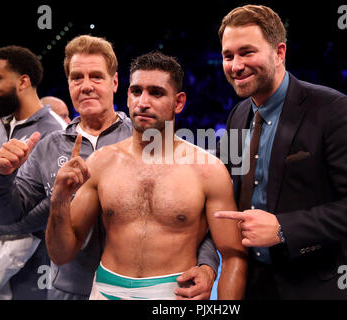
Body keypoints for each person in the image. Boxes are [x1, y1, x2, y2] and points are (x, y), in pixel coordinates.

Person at [0, 36, 220, 300]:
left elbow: (189, 216)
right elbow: (7, 220)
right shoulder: (46, 146)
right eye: (77, 77)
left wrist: (207, 266)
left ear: (115, 83)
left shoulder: (146, 138)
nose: (86, 86)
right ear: (68, 83)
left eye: (96, 77)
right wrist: (3, 177)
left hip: (135, 288)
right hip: (67, 289)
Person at [215, 4, 347, 299]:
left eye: (247, 52)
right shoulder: (237, 115)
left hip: (323, 285)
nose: (235, 65)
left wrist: (285, 227)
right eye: (228, 55)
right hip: (256, 284)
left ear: (279, 52)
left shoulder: (333, 109)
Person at [46, 51, 247, 300]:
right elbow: (61, 253)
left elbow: (232, 256)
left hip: (173, 292)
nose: (143, 102)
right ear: (127, 97)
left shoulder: (208, 170)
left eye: (156, 93)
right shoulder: (100, 162)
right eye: (136, 91)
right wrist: (59, 200)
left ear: (179, 102)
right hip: (106, 289)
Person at [0, 45, 67, 299]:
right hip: (1, 262)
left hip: (40, 268)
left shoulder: (56, 131)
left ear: (23, 81)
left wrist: (2, 226)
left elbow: (57, 201)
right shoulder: (3, 127)